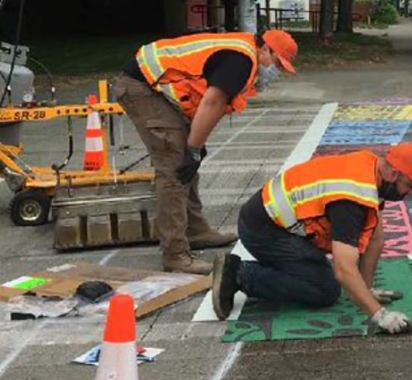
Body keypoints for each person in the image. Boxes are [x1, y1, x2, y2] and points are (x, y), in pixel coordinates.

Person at [114, 29, 298, 274]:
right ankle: (175, 254)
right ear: (265, 48)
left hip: (151, 84)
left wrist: (195, 147)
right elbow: (212, 102)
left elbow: (210, 105)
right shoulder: (241, 61)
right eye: (277, 63)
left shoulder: (242, 54)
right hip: (142, 86)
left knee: (187, 160)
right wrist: (193, 148)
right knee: (175, 167)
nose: (275, 71)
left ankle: (195, 230)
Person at [211, 143, 412, 334]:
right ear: (393, 174)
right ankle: (239, 274)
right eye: (409, 185)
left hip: (275, 222)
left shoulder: (371, 169)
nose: (409, 193)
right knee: (324, 289)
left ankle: (264, 269)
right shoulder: (351, 199)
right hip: (262, 230)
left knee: (326, 273)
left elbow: (376, 238)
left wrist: (366, 291)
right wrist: (380, 315)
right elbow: (343, 270)